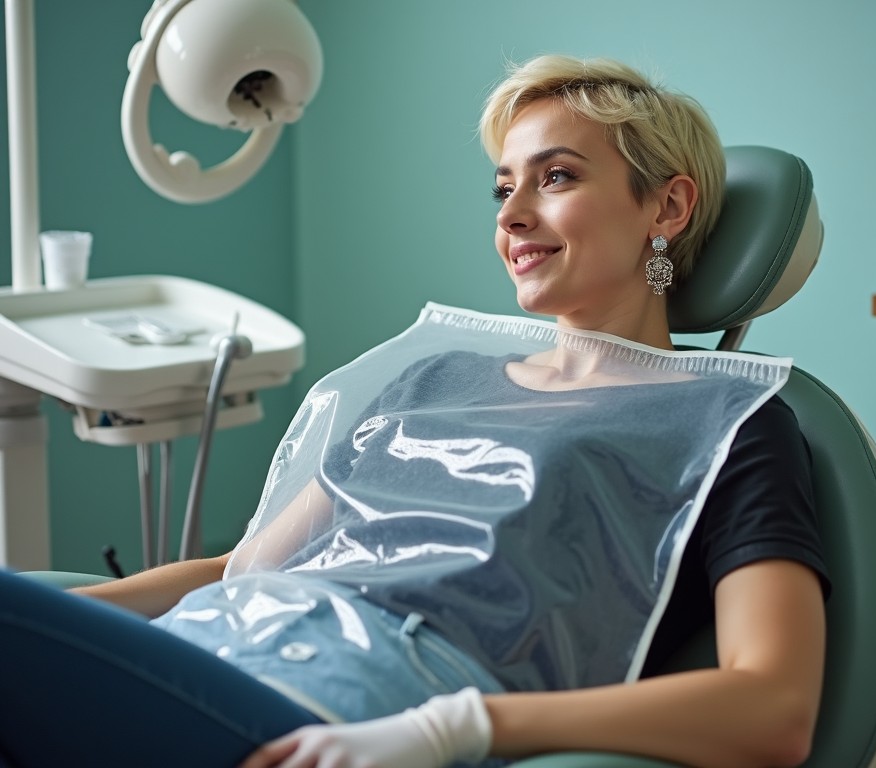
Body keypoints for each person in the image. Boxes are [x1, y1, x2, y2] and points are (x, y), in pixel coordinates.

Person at [0, 54, 828, 768]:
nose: (511, 215)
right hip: (211, 648)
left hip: (344, 711)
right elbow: (242, 569)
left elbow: (773, 708)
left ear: (667, 209)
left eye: (559, 176)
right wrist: (62, 618)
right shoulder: (435, 380)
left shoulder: (727, 426)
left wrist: (454, 728)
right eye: (504, 186)